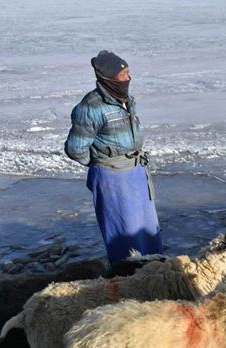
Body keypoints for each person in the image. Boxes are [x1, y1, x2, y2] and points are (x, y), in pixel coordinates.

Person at [64, 50, 163, 265]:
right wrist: (103, 161)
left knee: (147, 227)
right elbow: (75, 149)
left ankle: (154, 271)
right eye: (123, 74)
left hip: (136, 172)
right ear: (108, 77)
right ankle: (128, 276)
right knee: (124, 231)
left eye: (128, 73)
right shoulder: (91, 107)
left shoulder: (127, 100)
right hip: (112, 177)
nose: (128, 78)